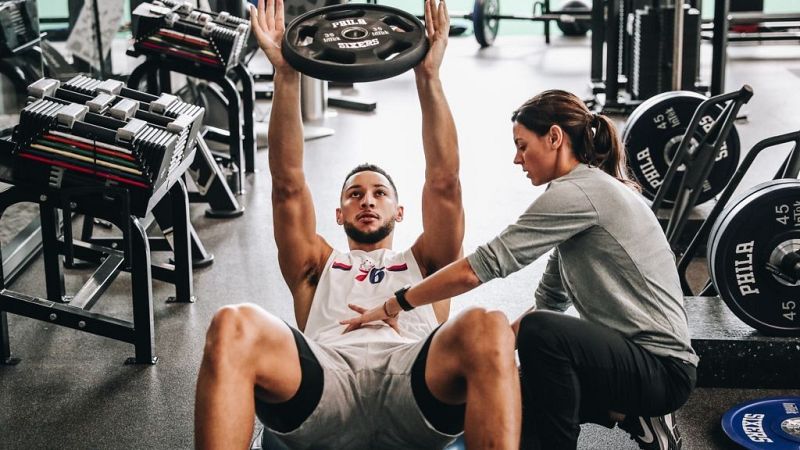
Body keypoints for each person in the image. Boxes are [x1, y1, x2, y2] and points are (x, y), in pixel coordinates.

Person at [193, 0, 521, 449]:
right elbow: (287, 186)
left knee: (488, 323)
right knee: (233, 323)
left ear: (399, 212)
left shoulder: (428, 263)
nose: (367, 200)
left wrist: (428, 77)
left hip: (413, 383)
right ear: (339, 215)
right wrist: (287, 75)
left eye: (380, 193)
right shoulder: (315, 265)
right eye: (355, 194)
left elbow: (445, 183)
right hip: (326, 384)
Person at [343, 90, 699, 450]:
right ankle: (631, 414)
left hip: (662, 372)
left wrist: (396, 304)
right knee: (516, 395)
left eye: (522, 145)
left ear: (555, 138)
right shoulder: (584, 197)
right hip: (634, 363)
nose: (517, 159)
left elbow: (479, 268)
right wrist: (480, 359)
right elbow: (548, 302)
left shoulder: (577, 193)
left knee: (539, 335)